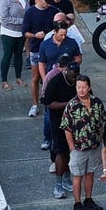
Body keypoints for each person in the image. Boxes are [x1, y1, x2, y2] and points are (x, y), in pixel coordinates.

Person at [62, 74, 106, 210]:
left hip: (94, 146)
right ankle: (77, 203)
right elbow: (67, 128)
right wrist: (71, 148)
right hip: (78, 149)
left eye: (83, 87)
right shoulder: (71, 105)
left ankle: (88, 199)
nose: (81, 90)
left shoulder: (97, 102)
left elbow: (103, 121)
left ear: (89, 87)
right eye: (78, 87)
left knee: (90, 174)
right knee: (77, 176)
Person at [42, 59, 79, 199]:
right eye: (72, 75)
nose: (74, 79)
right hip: (58, 122)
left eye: (76, 76)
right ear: (66, 71)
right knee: (61, 152)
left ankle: (66, 179)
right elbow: (48, 103)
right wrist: (68, 104)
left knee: (71, 151)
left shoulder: (79, 81)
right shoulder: (55, 81)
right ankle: (58, 184)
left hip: (75, 122)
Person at [22, 0, 58, 117]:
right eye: (45, 1)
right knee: (36, 77)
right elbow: (24, 32)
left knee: (51, 76)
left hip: (50, 49)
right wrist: (35, 35)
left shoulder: (54, 11)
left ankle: (50, 101)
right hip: (36, 48)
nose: (47, 3)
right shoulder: (30, 12)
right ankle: (35, 104)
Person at [0, 0, 29, 91]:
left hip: (20, 33)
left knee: (18, 55)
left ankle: (18, 77)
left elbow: (28, 11)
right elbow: (5, 18)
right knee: (7, 55)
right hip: (8, 32)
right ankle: (4, 80)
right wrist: (22, 21)